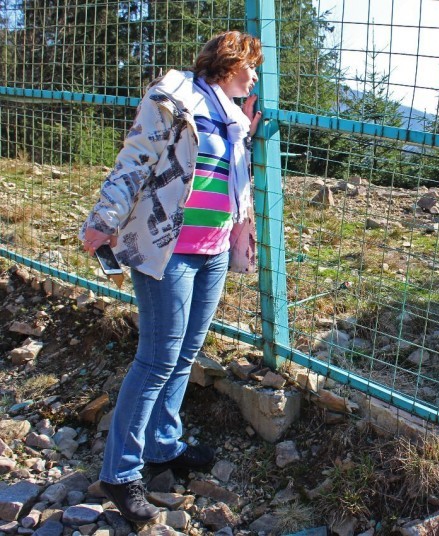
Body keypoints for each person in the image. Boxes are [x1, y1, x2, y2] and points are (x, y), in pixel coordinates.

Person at [79, 30, 263, 523]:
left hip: (213, 250)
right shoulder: (173, 97)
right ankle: (120, 473)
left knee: (183, 355)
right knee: (157, 360)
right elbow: (136, 159)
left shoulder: (230, 113)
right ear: (230, 62)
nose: (256, 76)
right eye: (252, 67)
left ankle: (162, 445)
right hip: (169, 252)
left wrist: (241, 131)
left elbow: (224, 178)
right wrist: (103, 220)